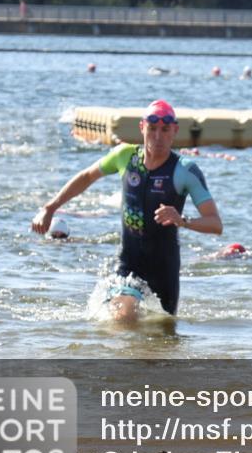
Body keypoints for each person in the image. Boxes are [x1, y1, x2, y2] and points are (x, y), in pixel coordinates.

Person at [31, 100, 223, 317]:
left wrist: (182, 220)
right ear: (142, 128)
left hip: (164, 270)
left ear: (174, 131)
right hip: (127, 265)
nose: (158, 136)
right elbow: (86, 176)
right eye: (152, 129)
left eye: (165, 130)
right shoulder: (125, 157)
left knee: (163, 339)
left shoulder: (185, 170)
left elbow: (215, 224)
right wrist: (50, 208)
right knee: (122, 315)